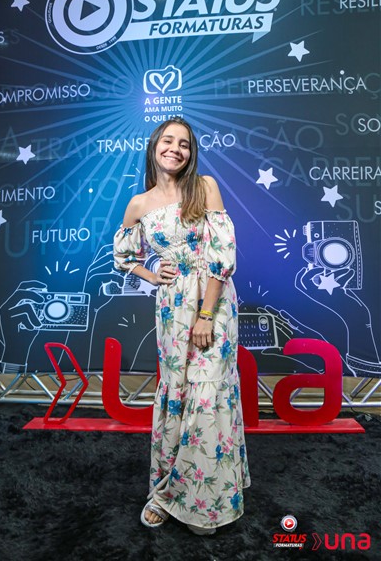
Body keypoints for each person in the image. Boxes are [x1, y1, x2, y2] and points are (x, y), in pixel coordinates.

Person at [113, 117, 250, 535]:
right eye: (168, 141)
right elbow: (124, 257)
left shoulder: (204, 187)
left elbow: (222, 256)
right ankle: (166, 492)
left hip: (213, 302)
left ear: (191, 153)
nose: (176, 149)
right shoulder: (139, 204)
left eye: (185, 144)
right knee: (178, 393)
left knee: (207, 397)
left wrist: (207, 315)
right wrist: (152, 273)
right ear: (154, 146)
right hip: (172, 307)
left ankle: (204, 503)